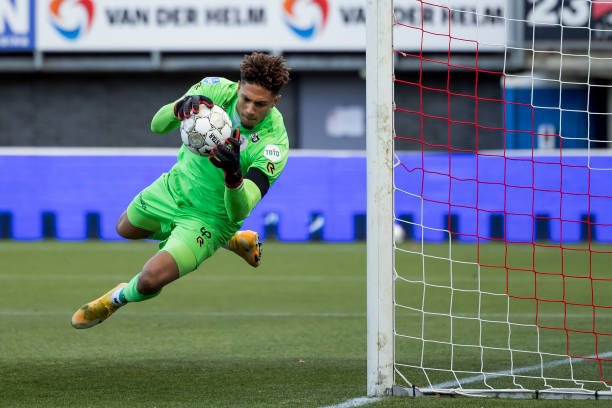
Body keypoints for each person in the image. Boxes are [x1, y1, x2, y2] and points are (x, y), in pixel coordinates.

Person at [71, 52, 291, 329]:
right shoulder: (213, 90)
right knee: (125, 228)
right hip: (174, 188)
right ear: (238, 86)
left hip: (211, 218)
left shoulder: (274, 144)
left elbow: (242, 206)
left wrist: (233, 176)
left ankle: (113, 300)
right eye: (246, 99)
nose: (249, 109)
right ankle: (235, 241)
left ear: (275, 101)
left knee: (151, 278)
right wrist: (179, 108)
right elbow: (157, 125)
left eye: (260, 104)